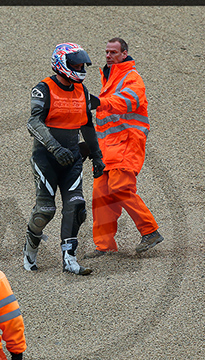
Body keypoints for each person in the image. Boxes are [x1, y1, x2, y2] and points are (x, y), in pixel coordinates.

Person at [24, 42, 105, 275]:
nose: (80, 68)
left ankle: (69, 258)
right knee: (45, 210)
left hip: (72, 158)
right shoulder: (43, 88)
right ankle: (30, 247)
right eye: (76, 64)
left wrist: (97, 156)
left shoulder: (81, 91)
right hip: (46, 158)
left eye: (82, 64)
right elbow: (33, 122)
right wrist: (54, 147)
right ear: (61, 64)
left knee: (76, 206)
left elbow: (87, 125)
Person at [88, 37, 163, 257]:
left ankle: (150, 231)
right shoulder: (108, 79)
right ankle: (104, 246)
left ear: (124, 53)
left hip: (127, 144)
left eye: (113, 52)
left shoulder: (131, 77)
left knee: (121, 189)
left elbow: (129, 101)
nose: (108, 55)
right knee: (101, 195)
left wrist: (101, 102)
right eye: (106, 52)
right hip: (107, 150)